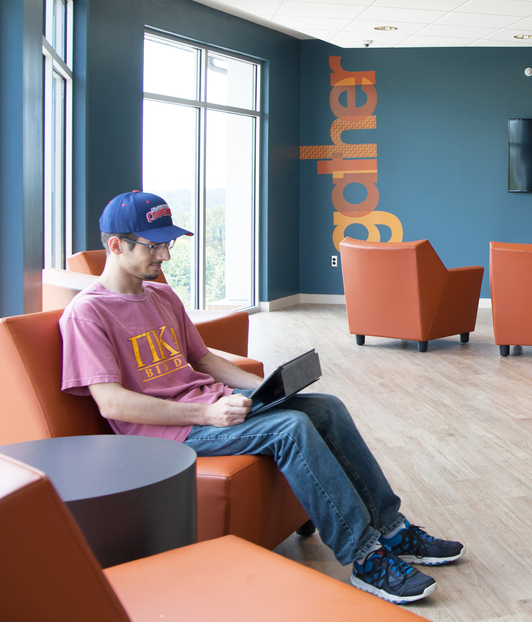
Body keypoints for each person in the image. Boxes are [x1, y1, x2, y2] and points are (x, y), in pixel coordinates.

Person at [60, 190, 461, 605]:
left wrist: (267, 389)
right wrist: (206, 414)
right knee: (291, 429)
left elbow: (202, 358)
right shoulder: (87, 313)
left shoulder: (161, 295)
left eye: (168, 243)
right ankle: (364, 557)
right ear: (115, 245)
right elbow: (112, 403)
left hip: (210, 406)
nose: (165, 255)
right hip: (166, 433)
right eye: (154, 245)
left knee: (326, 407)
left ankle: (392, 529)